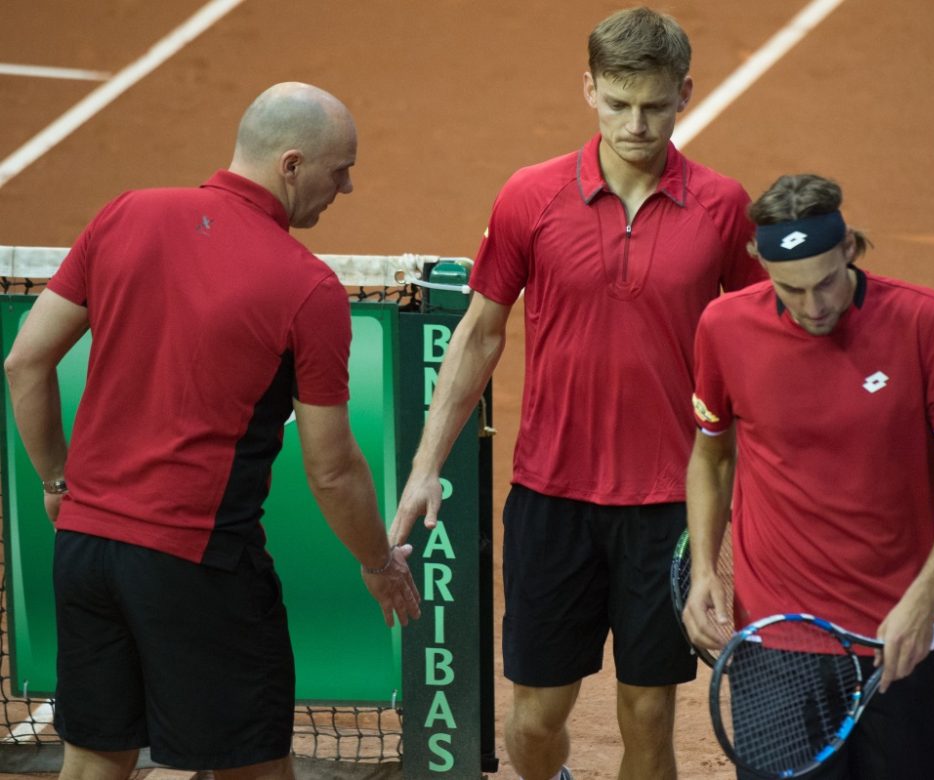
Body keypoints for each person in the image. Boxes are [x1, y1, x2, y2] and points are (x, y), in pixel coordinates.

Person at [3, 82, 421, 780]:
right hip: (198, 566)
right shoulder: (307, 288)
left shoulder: (125, 214)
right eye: (339, 169)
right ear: (291, 166)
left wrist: (56, 481)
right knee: (251, 768)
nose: (345, 187)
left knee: (93, 760)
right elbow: (332, 469)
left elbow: (24, 361)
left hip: (85, 552)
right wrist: (379, 563)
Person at [390, 8, 766, 780]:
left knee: (649, 715)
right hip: (551, 496)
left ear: (685, 94)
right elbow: (478, 336)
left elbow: (763, 342)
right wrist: (429, 463)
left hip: (669, 502)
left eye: (656, 105)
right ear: (589, 89)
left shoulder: (724, 206)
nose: (637, 123)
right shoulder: (530, 197)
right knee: (532, 720)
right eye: (619, 103)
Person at [683, 172, 934, 779]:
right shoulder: (724, 327)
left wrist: (922, 601)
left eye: (826, 282)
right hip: (774, 643)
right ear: (759, 263)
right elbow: (710, 454)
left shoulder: (921, 320)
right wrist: (703, 568)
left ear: (850, 249)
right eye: (790, 290)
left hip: (896, 639)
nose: (813, 306)